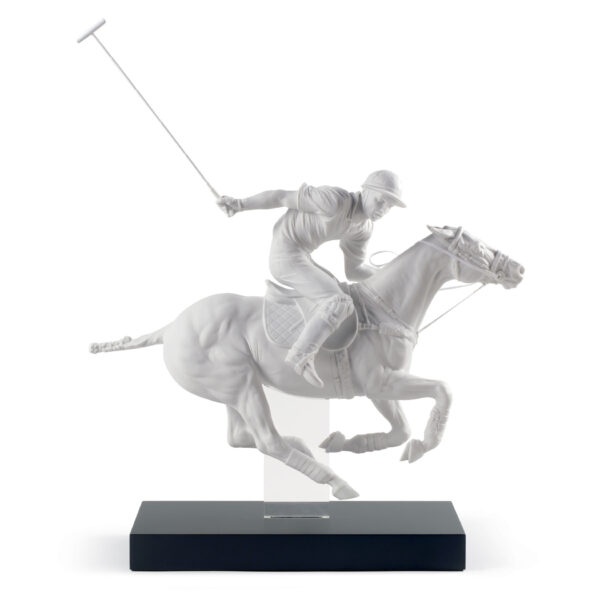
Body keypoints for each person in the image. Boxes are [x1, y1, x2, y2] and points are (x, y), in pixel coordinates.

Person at [217, 170, 405, 387]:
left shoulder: (363, 228)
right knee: (339, 302)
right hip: (285, 255)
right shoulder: (333, 201)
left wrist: (393, 273)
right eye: (380, 200)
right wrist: (240, 204)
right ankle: (300, 356)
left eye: (390, 205)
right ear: (366, 190)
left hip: (302, 256)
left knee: (344, 296)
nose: (383, 209)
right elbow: (281, 197)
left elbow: (354, 271)